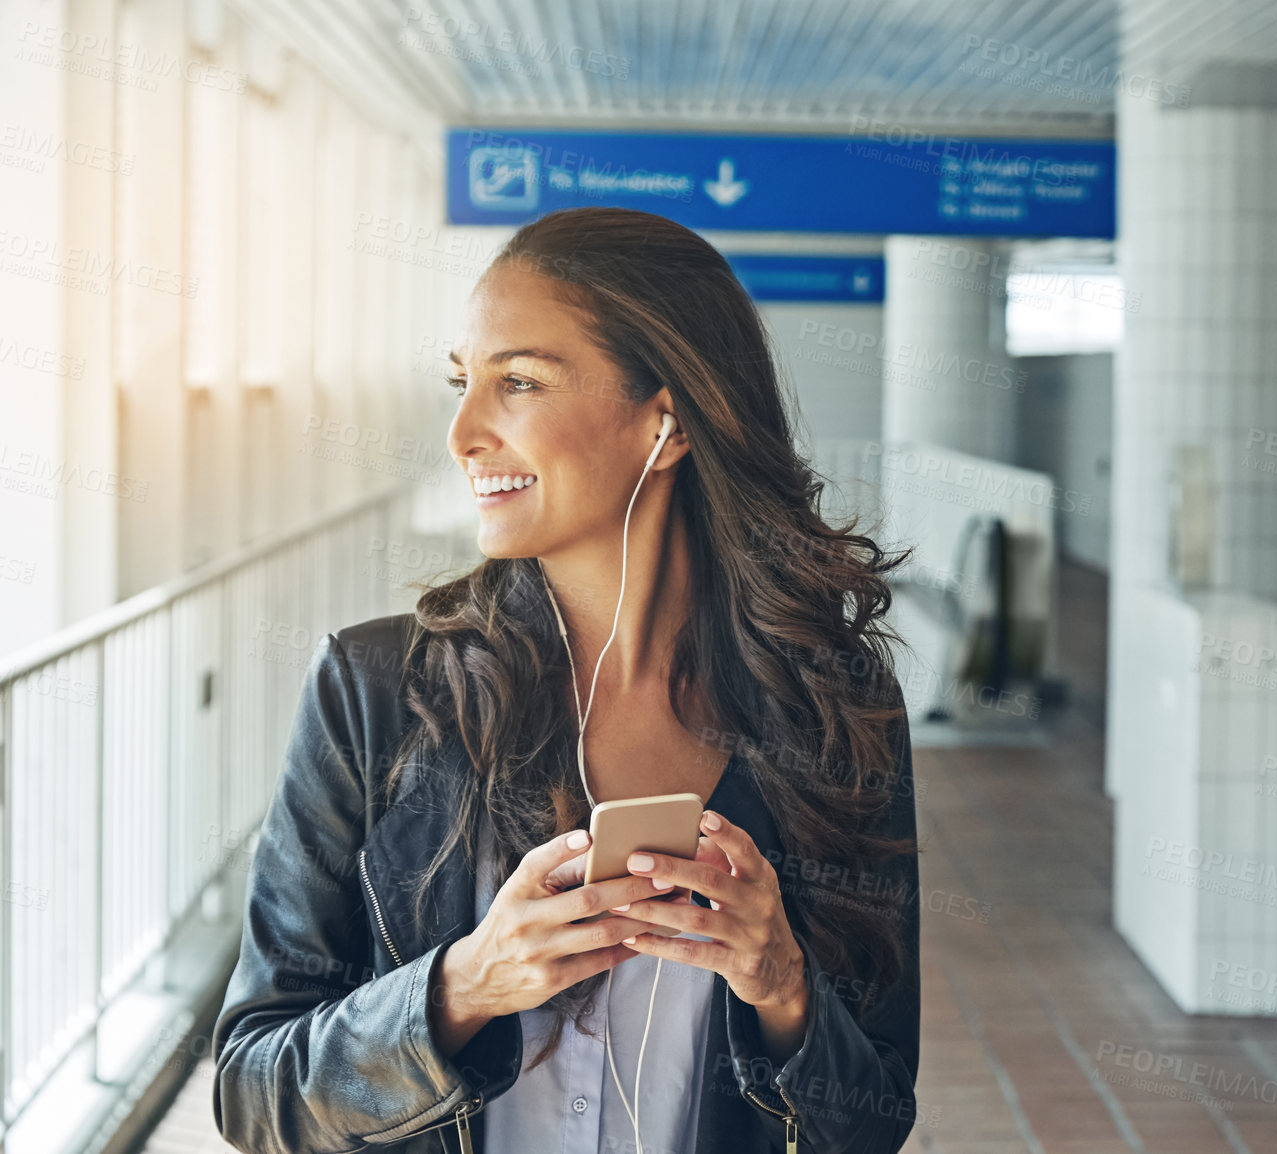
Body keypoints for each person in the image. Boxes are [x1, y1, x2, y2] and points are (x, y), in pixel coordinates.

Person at [210, 206, 923, 1154]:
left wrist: (782, 984)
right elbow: (256, 1093)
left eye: (518, 382)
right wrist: (462, 988)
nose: (463, 431)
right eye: (462, 384)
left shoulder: (833, 710)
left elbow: (873, 1119)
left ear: (664, 424)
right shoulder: (374, 694)